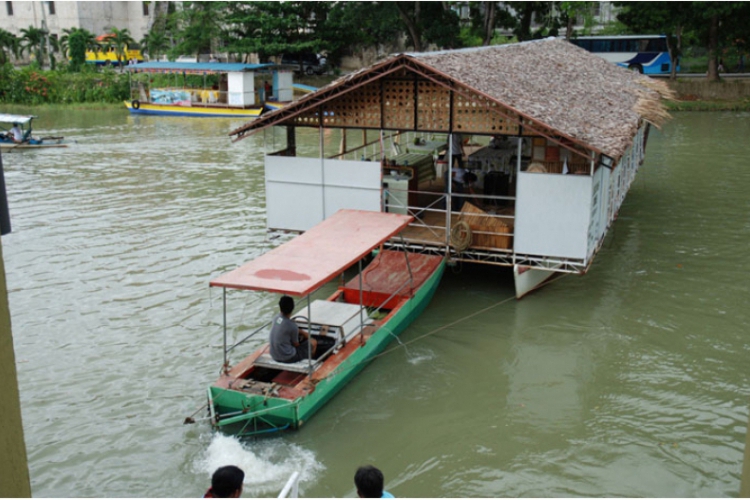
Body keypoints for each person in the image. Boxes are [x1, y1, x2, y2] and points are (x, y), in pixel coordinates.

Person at [269, 295, 316, 363]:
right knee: (313, 342)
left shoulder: (276, 318)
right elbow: (296, 345)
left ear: (280, 306)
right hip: (288, 358)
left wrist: (298, 331)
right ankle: (311, 363)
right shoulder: (292, 326)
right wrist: (303, 333)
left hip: (274, 355)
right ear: (292, 308)